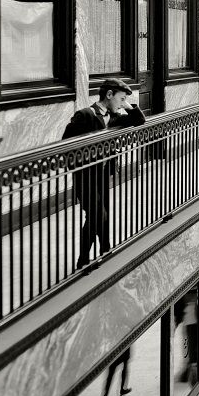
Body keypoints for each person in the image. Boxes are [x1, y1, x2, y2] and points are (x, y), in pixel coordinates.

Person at [62, 77, 147, 270]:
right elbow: (66, 145)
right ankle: (84, 260)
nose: (122, 102)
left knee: (101, 215)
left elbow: (139, 120)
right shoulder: (85, 115)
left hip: (102, 176)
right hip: (85, 177)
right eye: (120, 98)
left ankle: (104, 250)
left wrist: (126, 103)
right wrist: (80, 166)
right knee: (98, 215)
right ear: (109, 95)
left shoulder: (115, 116)